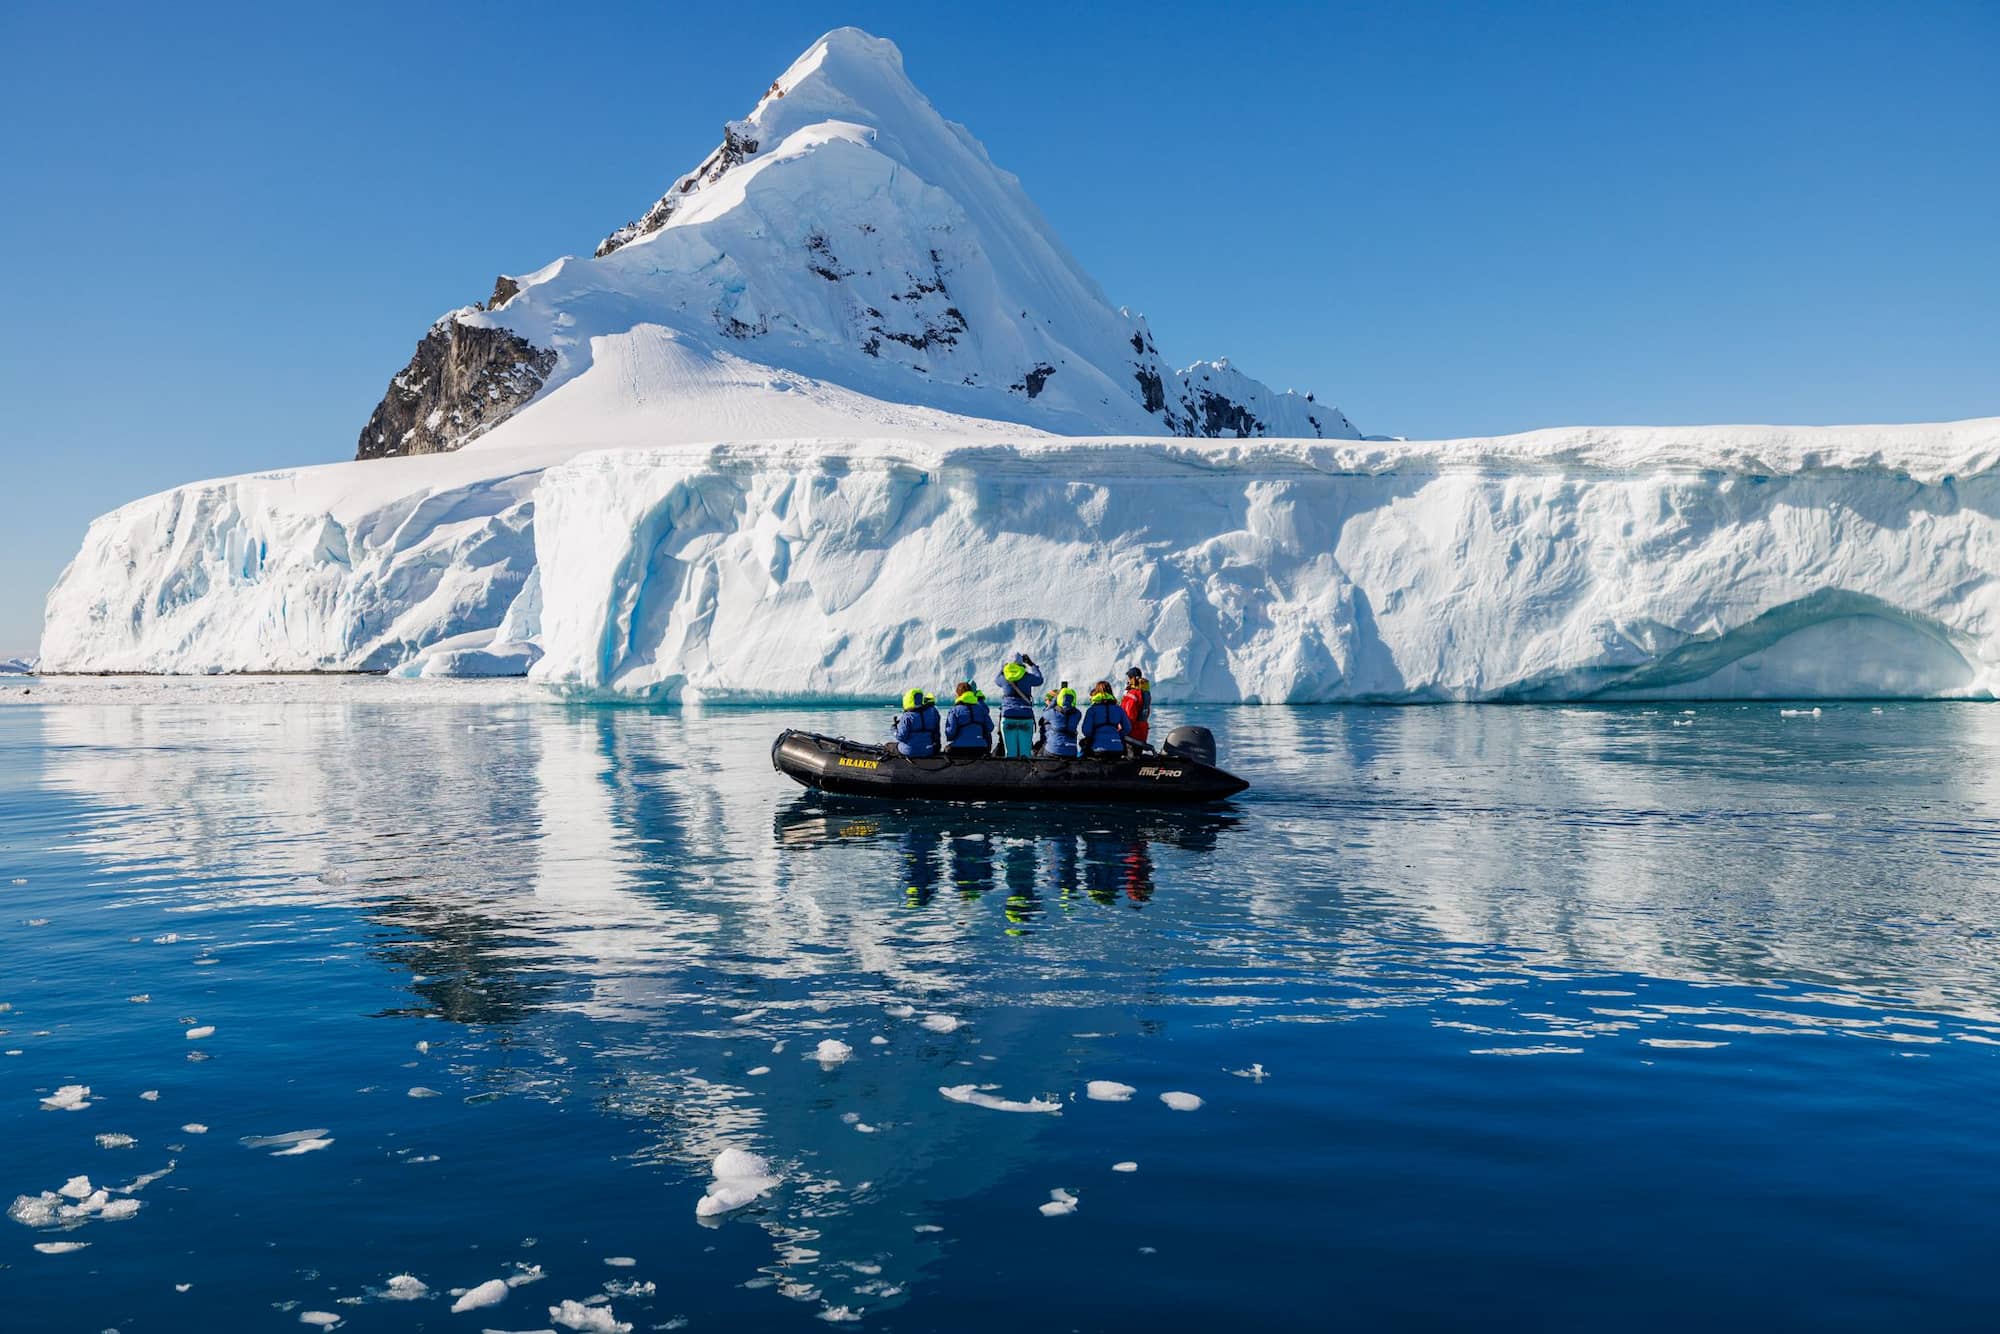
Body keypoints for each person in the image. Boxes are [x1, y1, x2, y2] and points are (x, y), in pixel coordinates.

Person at [991, 653, 1045, 758]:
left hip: (1008, 716)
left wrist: (1004, 667)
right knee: (1025, 754)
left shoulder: (1003, 678)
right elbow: (1039, 679)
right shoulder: (1027, 677)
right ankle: (1027, 773)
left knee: (1010, 754)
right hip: (1025, 716)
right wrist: (1031, 664)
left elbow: (996, 679)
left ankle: (1012, 773)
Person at [1079, 680, 1131, 757]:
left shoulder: (1092, 710)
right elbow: (1127, 728)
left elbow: (1086, 731)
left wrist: (1094, 736)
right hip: (1117, 749)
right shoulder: (1119, 709)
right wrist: (1116, 734)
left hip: (1098, 750)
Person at [943, 681, 994, 756]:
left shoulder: (954, 710)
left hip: (959, 749)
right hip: (980, 748)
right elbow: (990, 727)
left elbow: (950, 732)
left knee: (947, 749)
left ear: (958, 694)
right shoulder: (981, 709)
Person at [889, 687, 942, 757]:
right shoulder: (932, 712)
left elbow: (901, 737)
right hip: (929, 750)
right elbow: (936, 733)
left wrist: (894, 729)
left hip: (909, 751)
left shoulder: (907, 716)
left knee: (889, 746)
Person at [1039, 685, 1082, 757]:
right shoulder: (1077, 714)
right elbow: (1071, 709)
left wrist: (1055, 701)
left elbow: (1044, 714)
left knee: (1041, 750)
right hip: (1071, 751)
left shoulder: (1052, 713)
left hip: (1054, 750)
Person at [1120, 667, 1152, 744]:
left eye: (1129, 678)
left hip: (1132, 734)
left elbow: (1129, 716)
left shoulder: (1133, 694)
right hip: (1142, 732)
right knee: (1137, 754)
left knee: (1130, 755)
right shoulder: (1145, 692)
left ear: (1133, 678)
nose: (1128, 680)